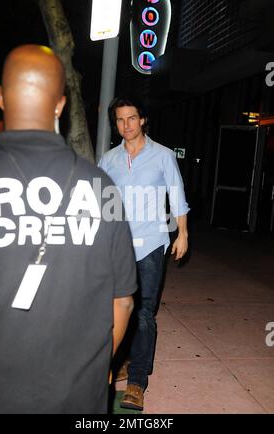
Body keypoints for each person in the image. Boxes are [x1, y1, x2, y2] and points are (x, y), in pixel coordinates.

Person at [0, 45, 136, 414]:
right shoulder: (102, 187)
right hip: (77, 395)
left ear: (1, 97)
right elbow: (123, 299)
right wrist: (99, 365)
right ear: (60, 104)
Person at [99, 96, 190, 411]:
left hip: (151, 243)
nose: (126, 125)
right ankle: (120, 362)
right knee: (114, 309)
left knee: (144, 313)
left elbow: (176, 193)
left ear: (143, 120)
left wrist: (183, 233)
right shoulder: (108, 160)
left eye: (132, 118)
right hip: (116, 245)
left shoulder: (163, 156)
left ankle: (137, 381)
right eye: (120, 120)